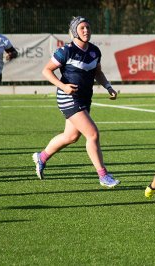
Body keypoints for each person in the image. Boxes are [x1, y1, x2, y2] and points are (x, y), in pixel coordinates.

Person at [31, 16, 120, 188]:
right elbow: (46, 70)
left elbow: (97, 72)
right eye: (82, 28)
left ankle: (41, 157)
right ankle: (103, 175)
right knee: (92, 134)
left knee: (71, 137)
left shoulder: (95, 51)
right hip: (68, 97)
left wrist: (108, 87)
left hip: (85, 98)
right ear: (74, 32)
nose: (86, 30)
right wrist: (62, 86)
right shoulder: (66, 50)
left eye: (88, 27)